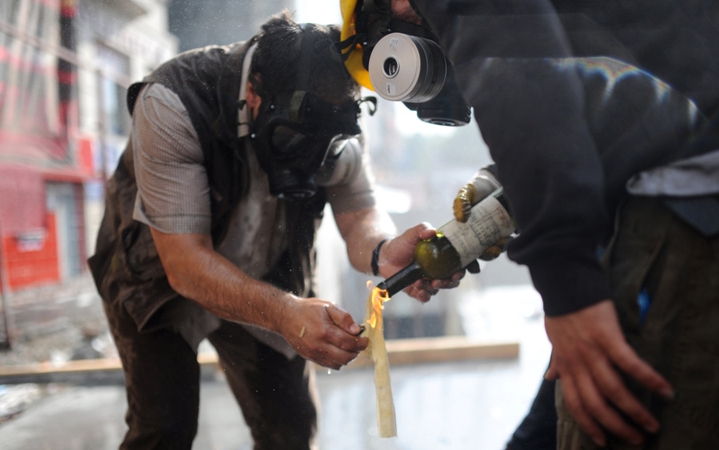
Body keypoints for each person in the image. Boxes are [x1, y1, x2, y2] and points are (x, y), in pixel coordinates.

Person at [339, 0, 719, 448]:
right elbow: (632, 94)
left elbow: (518, 75)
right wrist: (508, 188)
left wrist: (569, 288)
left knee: (606, 419)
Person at [88, 14, 462, 450]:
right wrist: (285, 314)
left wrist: (384, 250)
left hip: (269, 274)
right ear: (254, 91)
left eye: (321, 153)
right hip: (156, 282)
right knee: (165, 429)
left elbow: (360, 212)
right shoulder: (175, 101)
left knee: (292, 431)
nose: (308, 162)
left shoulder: (336, 127)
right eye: (293, 143)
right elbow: (186, 265)